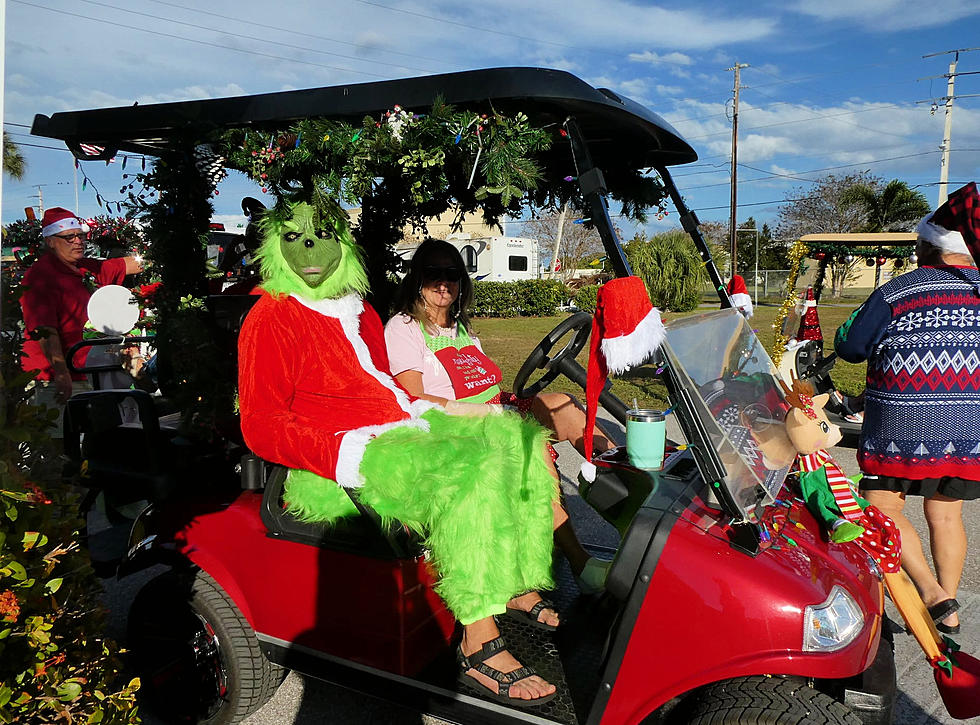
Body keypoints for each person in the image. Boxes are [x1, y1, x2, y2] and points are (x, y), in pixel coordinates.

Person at [239, 201, 563, 705]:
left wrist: (447, 413)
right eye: (295, 238)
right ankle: (479, 642)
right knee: (468, 470)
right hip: (336, 455)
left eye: (322, 235)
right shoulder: (271, 318)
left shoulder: (359, 311)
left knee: (514, 439)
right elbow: (261, 425)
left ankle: (514, 582)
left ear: (342, 246)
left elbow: (386, 387)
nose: (310, 250)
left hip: (395, 429)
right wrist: (349, 449)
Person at [384, 238, 615, 593]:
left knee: (565, 407)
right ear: (417, 278)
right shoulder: (404, 327)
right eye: (434, 274)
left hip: (493, 408)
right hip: (449, 424)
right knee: (530, 445)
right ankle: (577, 558)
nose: (443, 283)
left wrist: (498, 408)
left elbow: (480, 381)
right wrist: (489, 413)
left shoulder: (460, 327)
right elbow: (414, 398)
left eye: (452, 274)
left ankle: (633, 509)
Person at [834, 181, 980, 635]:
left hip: (900, 422)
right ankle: (950, 608)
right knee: (946, 514)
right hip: (968, 427)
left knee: (882, 507)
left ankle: (929, 590)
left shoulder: (900, 291)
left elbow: (852, 347)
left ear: (927, 246)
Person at [19, 208, 142, 433]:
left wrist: (167, 253)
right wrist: (61, 371)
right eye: (69, 237)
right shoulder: (40, 276)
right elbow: (44, 330)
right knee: (59, 441)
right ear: (51, 241)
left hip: (89, 373)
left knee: (95, 441)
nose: (78, 241)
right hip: (55, 376)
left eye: (81, 236)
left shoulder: (86, 267)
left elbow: (128, 264)